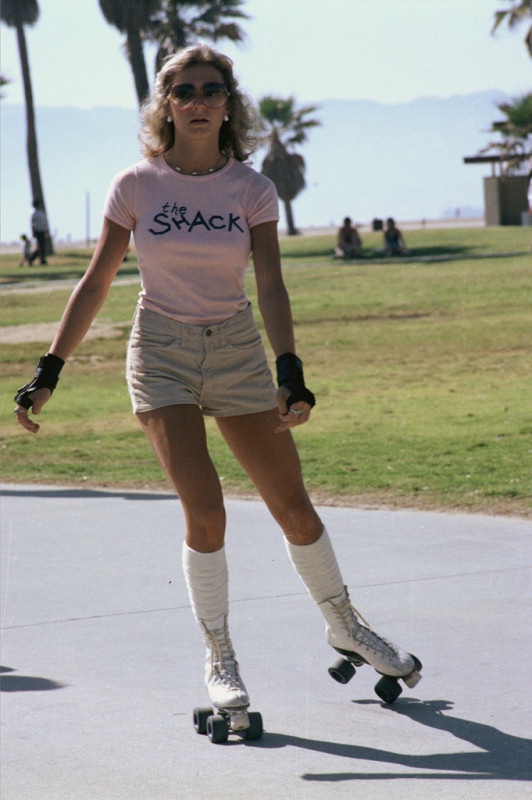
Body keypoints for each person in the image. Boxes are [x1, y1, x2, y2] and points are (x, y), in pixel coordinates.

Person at [13, 45, 421, 727]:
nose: (198, 101)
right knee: (206, 514)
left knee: (294, 509)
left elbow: (270, 284)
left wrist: (289, 370)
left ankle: (346, 625)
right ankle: (221, 658)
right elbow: (96, 282)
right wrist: (48, 371)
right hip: (162, 351)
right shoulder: (136, 186)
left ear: (228, 103)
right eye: (183, 90)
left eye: (211, 89)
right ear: (164, 105)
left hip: (235, 349)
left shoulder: (252, 190)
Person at [28, 199, 50, 265]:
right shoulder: (34, 213)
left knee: (42, 246)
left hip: (42, 231)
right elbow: (32, 223)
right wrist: (33, 231)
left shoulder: (41, 213)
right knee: (40, 247)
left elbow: (44, 223)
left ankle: (40, 259)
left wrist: (46, 231)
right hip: (38, 231)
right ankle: (34, 259)